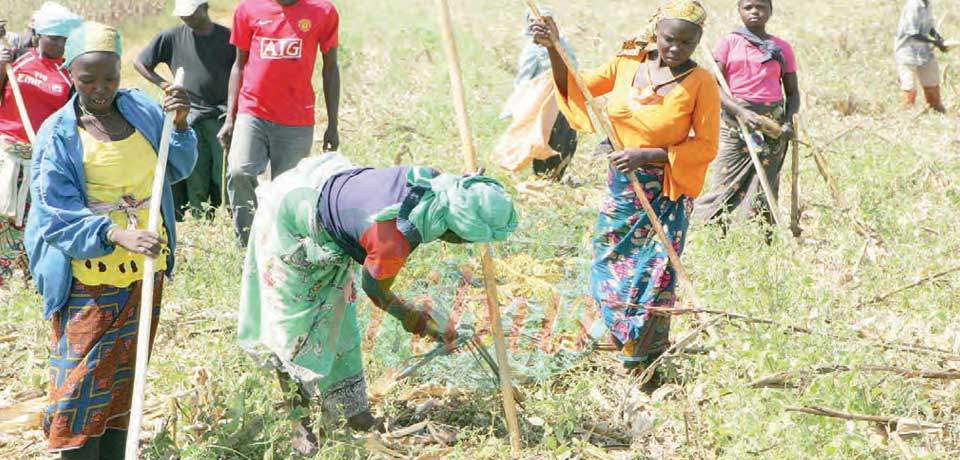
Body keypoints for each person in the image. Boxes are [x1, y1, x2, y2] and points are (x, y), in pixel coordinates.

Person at [238, 153, 518, 454]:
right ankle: (301, 424)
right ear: (454, 231)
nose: (465, 245)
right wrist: (416, 319)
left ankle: (354, 413)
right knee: (293, 325)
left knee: (339, 316)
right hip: (293, 213)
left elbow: (460, 189)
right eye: (468, 240)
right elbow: (376, 291)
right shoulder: (392, 240)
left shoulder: (441, 184)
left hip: (335, 195)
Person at [24, 22, 196, 459]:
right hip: (89, 280)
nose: (101, 89)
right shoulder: (59, 134)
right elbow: (55, 214)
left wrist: (178, 124)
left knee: (125, 381)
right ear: (71, 75)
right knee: (79, 386)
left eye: (110, 78)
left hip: (144, 273)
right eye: (88, 80)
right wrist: (116, 234)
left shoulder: (140, 111)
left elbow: (177, 167)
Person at [530, 0, 719, 378]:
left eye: (687, 43)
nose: (676, 49)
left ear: (698, 41)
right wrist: (554, 48)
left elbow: (706, 145)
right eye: (669, 40)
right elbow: (576, 87)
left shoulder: (702, 83)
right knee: (611, 259)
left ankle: (643, 351)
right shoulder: (626, 64)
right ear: (655, 32)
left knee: (654, 269)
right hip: (622, 188)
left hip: (666, 189)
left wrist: (646, 154)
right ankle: (613, 336)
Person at [220, 0, 341, 246]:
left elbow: (330, 68)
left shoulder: (323, 12)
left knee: (287, 188)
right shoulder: (248, 9)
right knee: (239, 171)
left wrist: (332, 124)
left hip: (296, 119)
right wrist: (230, 117)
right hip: (252, 111)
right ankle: (247, 245)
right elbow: (239, 65)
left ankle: (278, 248)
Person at [693, 0, 800, 227]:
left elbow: (792, 92)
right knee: (725, 176)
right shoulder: (728, 43)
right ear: (739, 11)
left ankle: (760, 232)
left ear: (770, 11)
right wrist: (741, 112)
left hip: (772, 124)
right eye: (748, 7)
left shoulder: (781, 47)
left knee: (766, 182)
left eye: (761, 7)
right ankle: (711, 227)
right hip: (735, 120)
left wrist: (789, 122)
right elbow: (714, 87)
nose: (755, 12)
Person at [0, 2, 81, 287]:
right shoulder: (16, 60)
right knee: (3, 214)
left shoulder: (69, 73)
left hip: (41, 154)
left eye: (64, 40)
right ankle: (3, 277)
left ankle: (31, 274)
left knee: (32, 217)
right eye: (54, 38)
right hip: (7, 148)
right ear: (38, 35)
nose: (59, 45)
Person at [135, 0, 235, 220]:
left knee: (223, 171)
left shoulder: (227, 38)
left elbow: (242, 73)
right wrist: (165, 85)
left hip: (221, 115)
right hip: (189, 116)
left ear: (205, 8)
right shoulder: (172, 37)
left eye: (191, 13)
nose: (186, 18)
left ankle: (228, 218)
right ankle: (200, 217)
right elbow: (140, 63)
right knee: (194, 173)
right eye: (183, 15)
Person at [495, 8, 578, 181]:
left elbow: (573, 68)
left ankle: (554, 175)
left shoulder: (561, 44)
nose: (540, 25)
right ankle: (541, 175)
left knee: (561, 137)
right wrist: (518, 104)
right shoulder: (531, 50)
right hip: (539, 101)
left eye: (545, 21)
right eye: (534, 22)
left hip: (561, 98)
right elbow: (523, 80)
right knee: (541, 136)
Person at [894, 0, 947, 113]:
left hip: (923, 51)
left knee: (932, 80)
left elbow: (929, 27)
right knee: (909, 85)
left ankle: (935, 109)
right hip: (907, 51)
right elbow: (912, 32)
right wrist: (934, 42)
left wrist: (937, 38)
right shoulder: (914, 5)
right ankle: (908, 113)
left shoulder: (927, 4)